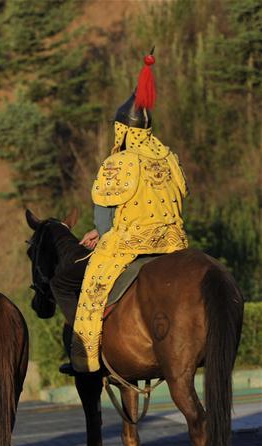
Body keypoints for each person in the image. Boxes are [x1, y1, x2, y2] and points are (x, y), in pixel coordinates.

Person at [70, 51, 188, 373]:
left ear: (122, 129)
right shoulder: (168, 157)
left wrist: (103, 233)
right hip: (173, 243)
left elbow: (105, 220)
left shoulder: (118, 162)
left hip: (131, 244)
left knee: (91, 290)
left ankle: (85, 358)